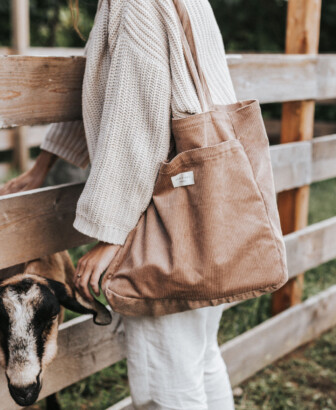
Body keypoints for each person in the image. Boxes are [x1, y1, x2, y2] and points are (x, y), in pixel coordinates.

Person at [1, 0, 237, 408]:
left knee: (166, 383)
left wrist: (113, 233)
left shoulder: (133, 5)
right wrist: (43, 166)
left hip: (166, 226)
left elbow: (136, 126)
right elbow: (108, 94)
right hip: (212, 208)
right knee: (200, 359)